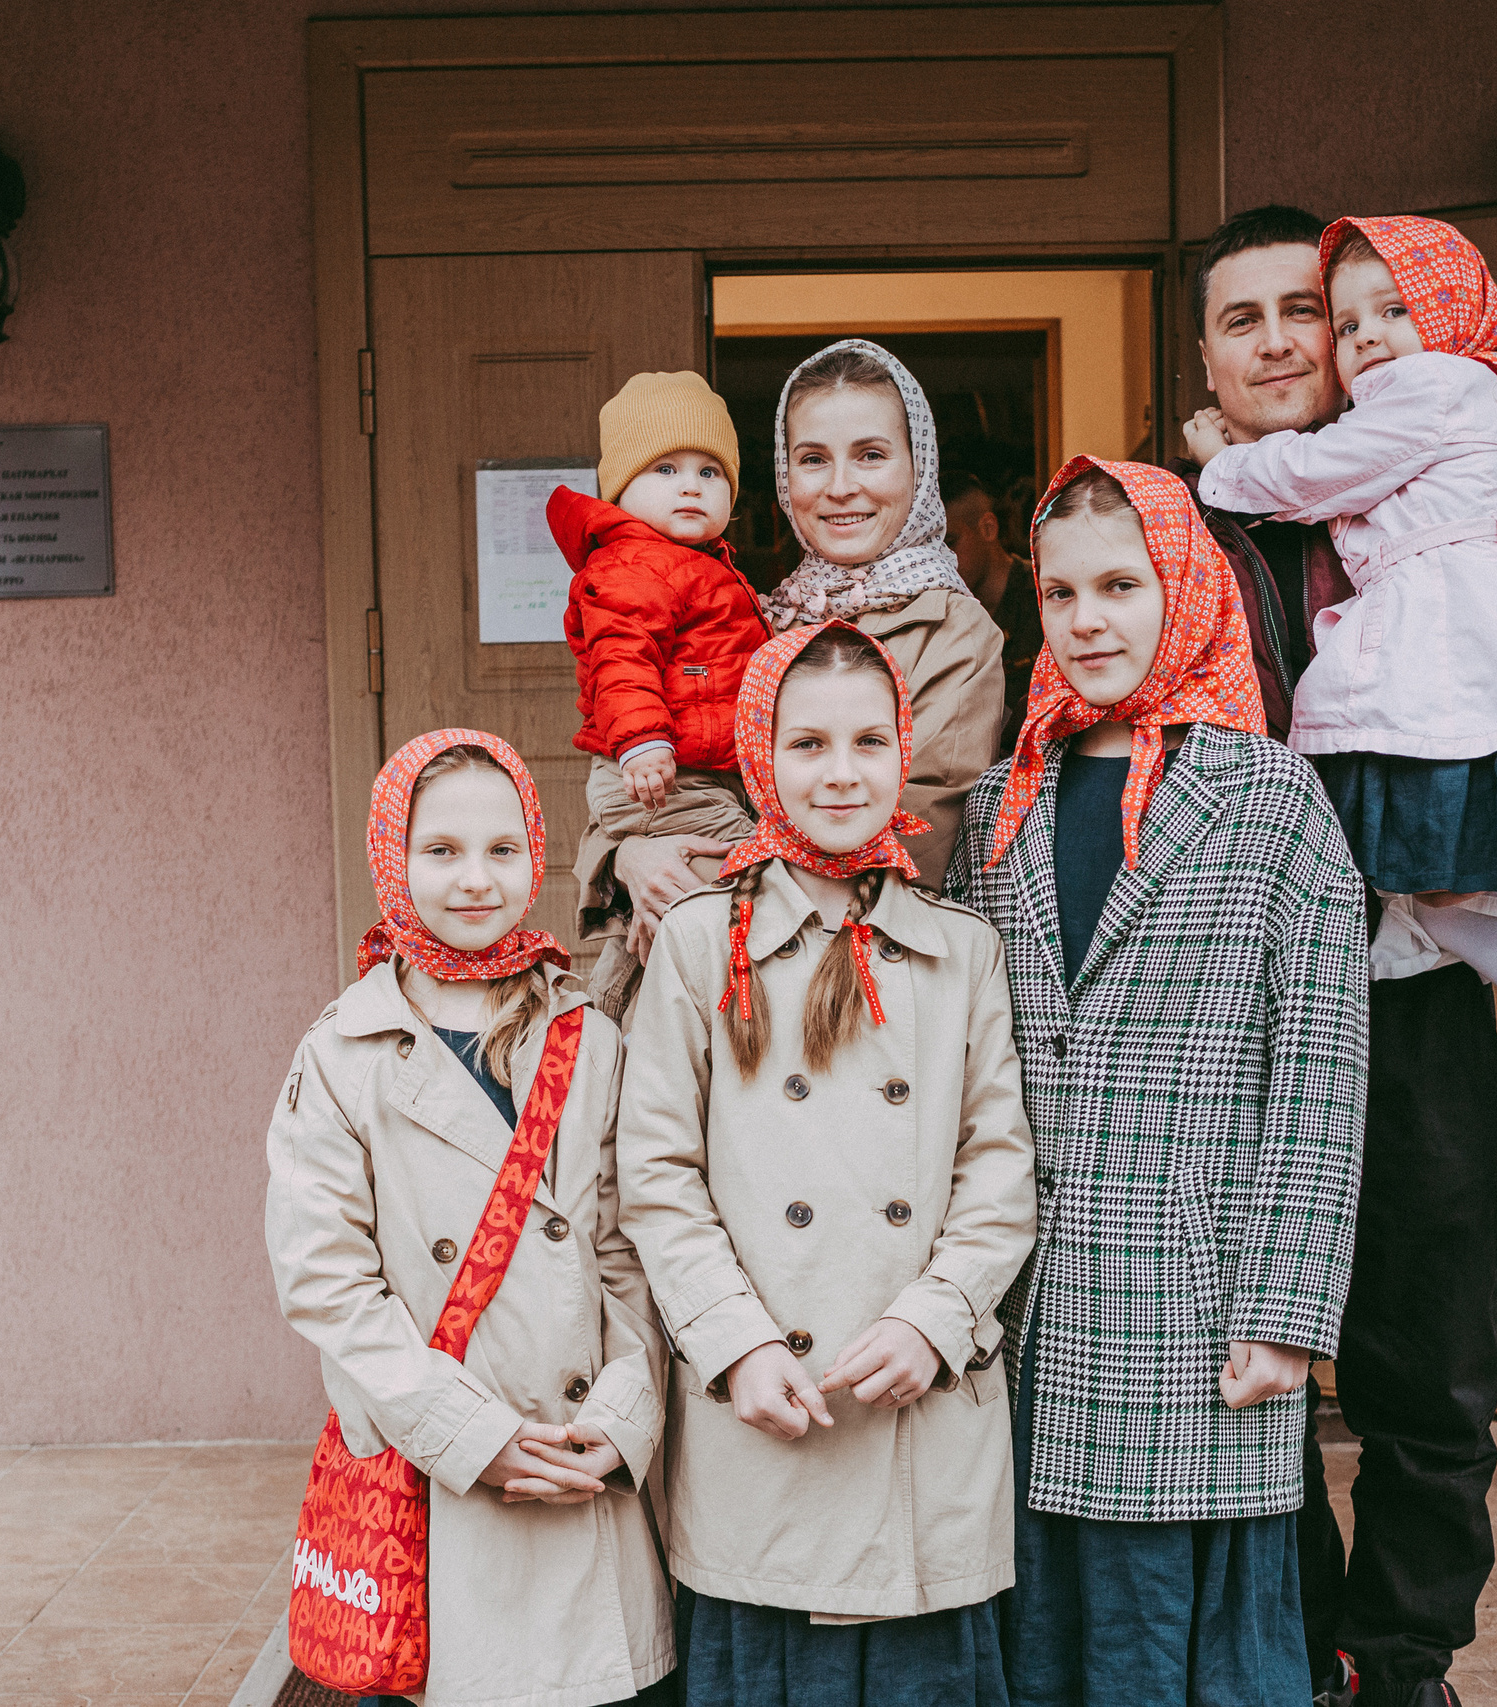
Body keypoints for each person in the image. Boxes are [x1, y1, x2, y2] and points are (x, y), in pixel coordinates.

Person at [945, 457, 1368, 1707]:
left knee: (1183, 1655)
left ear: (1180, 587)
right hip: (1026, 1303)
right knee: (1044, 1642)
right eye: (1062, 591)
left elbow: (1322, 1073)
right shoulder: (996, 807)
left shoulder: (1271, 799)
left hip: (1194, 1307)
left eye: (1119, 585)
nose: (1086, 620)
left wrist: (1289, 1313)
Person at [1188, 214, 1497, 1231]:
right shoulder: (1175, 522)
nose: (1310, 338)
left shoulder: (1412, 412)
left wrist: (1221, 460)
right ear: (1205, 355)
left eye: (1310, 315)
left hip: (1417, 958)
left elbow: (1311, 477)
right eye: (1246, 320)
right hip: (1274, 952)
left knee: (1456, 889)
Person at [615, 621, 1037, 1707]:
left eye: (866, 741)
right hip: (765, 1414)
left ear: (905, 752)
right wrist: (736, 1344)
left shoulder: (962, 950)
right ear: (760, 756)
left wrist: (934, 1320)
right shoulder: (698, 942)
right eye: (806, 744)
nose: (840, 773)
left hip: (916, 1412)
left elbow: (1000, 1171)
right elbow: (655, 1175)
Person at [265, 729, 674, 1707]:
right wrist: (468, 1435)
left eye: (501, 849)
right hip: (440, 1479)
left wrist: (623, 1418)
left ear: (536, 854)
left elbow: (633, 1252)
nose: (474, 880)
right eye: (439, 851)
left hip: (579, 1476)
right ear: (390, 860)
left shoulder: (594, 1039)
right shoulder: (341, 1054)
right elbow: (325, 1281)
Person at [587, 339, 1005, 979]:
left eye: (870, 455)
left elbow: (907, 842)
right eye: (813, 459)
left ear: (918, 468)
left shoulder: (952, 630)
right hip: (699, 985)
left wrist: (687, 865)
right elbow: (632, 784)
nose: (841, 488)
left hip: (847, 983)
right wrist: (627, 859)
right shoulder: (762, 609)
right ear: (784, 476)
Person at [552, 370, 768, 1017]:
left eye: (710, 471)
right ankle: (615, 1028)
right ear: (621, 490)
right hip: (659, 779)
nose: (691, 485)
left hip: (690, 777)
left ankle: (607, 1022)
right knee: (740, 880)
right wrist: (644, 739)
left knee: (675, 911)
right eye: (666, 468)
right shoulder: (631, 563)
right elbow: (622, 657)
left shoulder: (701, 565)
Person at [944, 468, 1039, 740]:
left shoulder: (1047, 596)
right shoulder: (943, 610)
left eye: (950, 542)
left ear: (988, 528)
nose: (942, 559)